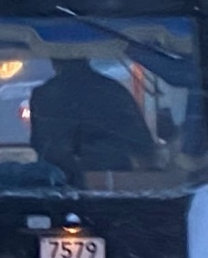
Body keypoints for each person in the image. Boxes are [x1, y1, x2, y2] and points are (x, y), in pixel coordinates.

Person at [27, 59, 155, 185]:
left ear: (54, 62)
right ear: (85, 59)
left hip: (57, 185)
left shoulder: (43, 95)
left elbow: (39, 141)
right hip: (113, 185)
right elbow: (142, 142)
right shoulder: (113, 91)